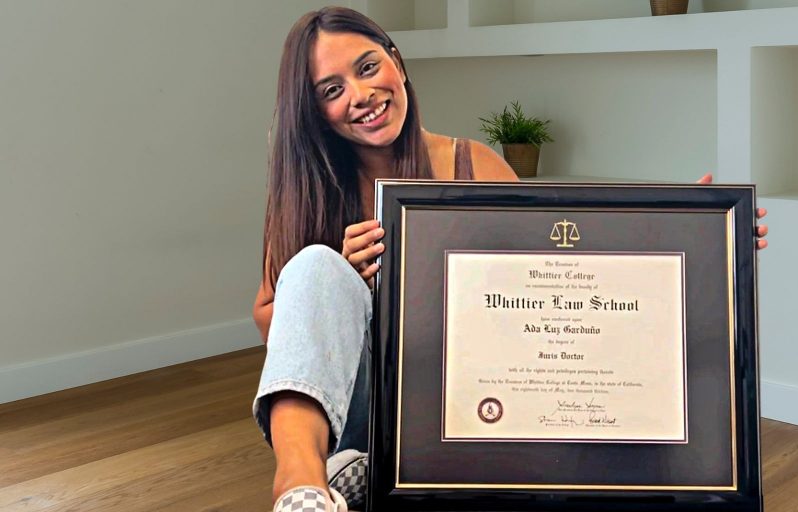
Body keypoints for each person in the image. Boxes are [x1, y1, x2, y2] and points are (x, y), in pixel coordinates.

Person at [252, 7, 768, 512]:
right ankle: (302, 489)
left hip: (468, 404)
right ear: (315, 110)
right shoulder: (308, 192)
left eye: (367, 67)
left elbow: (553, 279)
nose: (361, 95)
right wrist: (348, 289)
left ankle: (367, 468)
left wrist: (698, 237)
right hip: (359, 404)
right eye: (332, 90)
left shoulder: (472, 163)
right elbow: (272, 320)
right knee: (317, 267)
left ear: (397, 62)